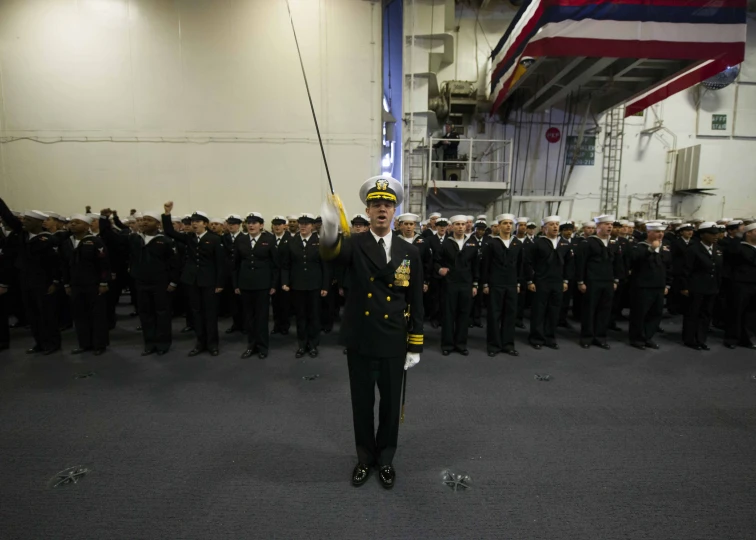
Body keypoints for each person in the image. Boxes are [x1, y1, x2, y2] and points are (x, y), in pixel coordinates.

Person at [319, 175, 424, 490]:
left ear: (395, 212)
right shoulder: (354, 245)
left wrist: (415, 343)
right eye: (376, 204)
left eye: (388, 205)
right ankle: (365, 459)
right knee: (362, 404)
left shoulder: (410, 251)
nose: (382, 209)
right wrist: (328, 225)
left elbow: (416, 298)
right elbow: (328, 253)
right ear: (367, 211)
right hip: (362, 338)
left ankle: (386, 460)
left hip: (394, 339)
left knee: (391, 406)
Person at [100, 210, 180, 356]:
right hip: (141, 283)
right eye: (142, 219)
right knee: (145, 314)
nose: (144, 222)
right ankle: (149, 343)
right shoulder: (134, 239)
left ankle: (163, 344)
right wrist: (104, 219)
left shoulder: (166, 241)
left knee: (162, 314)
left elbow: (174, 264)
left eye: (148, 220)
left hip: (160, 283)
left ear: (157, 224)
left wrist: (173, 282)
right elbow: (110, 237)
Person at [162, 203, 226, 357]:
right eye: (192, 221)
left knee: (210, 314)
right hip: (192, 281)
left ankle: (212, 344)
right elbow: (169, 231)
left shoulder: (214, 239)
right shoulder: (189, 238)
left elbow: (220, 264)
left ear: (205, 224)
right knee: (196, 313)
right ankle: (200, 343)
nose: (194, 224)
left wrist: (219, 283)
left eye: (198, 221)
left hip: (209, 281)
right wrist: (166, 214)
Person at [0, 201, 62, 355]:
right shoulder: (21, 235)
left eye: (28, 220)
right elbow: (9, 218)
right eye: (24, 219)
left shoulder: (49, 239)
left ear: (39, 223)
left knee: (46, 314)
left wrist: (55, 281)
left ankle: (52, 343)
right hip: (26, 281)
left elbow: (56, 264)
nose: (24, 222)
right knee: (32, 315)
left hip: (44, 283)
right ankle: (39, 343)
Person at [59, 214, 111, 355]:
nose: (73, 225)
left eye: (77, 222)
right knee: (79, 315)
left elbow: (104, 265)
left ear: (87, 226)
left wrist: (103, 282)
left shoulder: (95, 242)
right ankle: (84, 343)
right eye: (72, 222)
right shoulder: (67, 243)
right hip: (75, 285)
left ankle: (99, 344)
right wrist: (66, 284)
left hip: (93, 284)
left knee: (97, 315)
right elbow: (64, 265)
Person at [280, 213, 330, 358]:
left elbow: (325, 266)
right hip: (297, 285)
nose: (303, 226)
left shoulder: (319, 241)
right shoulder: (292, 241)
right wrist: (285, 282)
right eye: (301, 224)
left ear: (312, 226)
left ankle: (313, 345)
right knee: (300, 316)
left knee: (314, 316)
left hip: (315, 285)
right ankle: (302, 344)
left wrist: (325, 286)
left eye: (306, 224)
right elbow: (286, 265)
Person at [233, 213, 279, 359]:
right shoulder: (241, 240)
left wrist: (273, 284)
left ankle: (263, 347)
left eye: (255, 223)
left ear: (261, 225)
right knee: (249, 317)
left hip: (263, 284)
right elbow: (235, 264)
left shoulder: (269, 239)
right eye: (249, 223)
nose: (251, 225)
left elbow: (275, 265)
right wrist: (236, 284)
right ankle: (251, 346)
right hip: (245, 284)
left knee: (261, 317)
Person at [525, 216, 574, 350]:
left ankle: (550, 337)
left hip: (557, 282)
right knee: (539, 311)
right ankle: (536, 338)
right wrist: (530, 280)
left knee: (554, 311)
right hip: (541, 281)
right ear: (544, 228)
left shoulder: (564, 243)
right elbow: (529, 263)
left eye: (557, 224)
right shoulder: (537, 243)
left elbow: (569, 263)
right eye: (551, 224)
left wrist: (565, 280)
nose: (555, 227)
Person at [434, 215, 479, 355]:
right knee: (448, 315)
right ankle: (447, 345)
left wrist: (475, 284)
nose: (460, 227)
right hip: (450, 284)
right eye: (457, 224)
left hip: (466, 284)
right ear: (451, 226)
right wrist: (439, 269)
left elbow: (476, 266)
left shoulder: (472, 244)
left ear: (466, 226)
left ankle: (461, 344)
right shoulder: (445, 244)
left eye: (463, 224)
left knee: (464, 315)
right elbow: (435, 261)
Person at [575, 215, 621, 349]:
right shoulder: (588, 242)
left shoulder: (613, 243)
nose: (610, 227)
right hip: (592, 281)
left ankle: (600, 337)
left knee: (604, 310)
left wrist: (616, 280)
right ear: (598, 226)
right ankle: (587, 337)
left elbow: (617, 263)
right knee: (589, 310)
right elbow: (581, 263)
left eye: (611, 224)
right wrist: (580, 281)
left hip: (608, 281)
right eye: (606, 224)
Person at [481, 213, 523, 357]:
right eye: (505, 223)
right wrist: (485, 283)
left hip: (511, 284)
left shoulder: (517, 243)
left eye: (510, 223)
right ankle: (493, 345)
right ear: (498, 226)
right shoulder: (491, 243)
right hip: (495, 283)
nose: (508, 226)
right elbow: (485, 265)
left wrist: (518, 282)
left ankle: (508, 344)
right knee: (494, 315)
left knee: (510, 315)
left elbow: (520, 265)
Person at [627, 222, 672, 350]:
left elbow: (668, 267)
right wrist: (651, 250)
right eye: (657, 232)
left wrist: (667, 284)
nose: (660, 234)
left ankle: (648, 337)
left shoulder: (665, 247)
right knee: (640, 313)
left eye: (662, 232)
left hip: (659, 285)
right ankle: (636, 338)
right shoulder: (640, 247)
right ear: (649, 233)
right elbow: (634, 260)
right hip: (643, 286)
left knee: (655, 314)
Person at [680, 222, 723, 350]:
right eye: (712, 234)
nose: (715, 236)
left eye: (716, 234)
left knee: (706, 314)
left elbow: (719, 268)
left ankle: (701, 338)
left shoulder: (717, 248)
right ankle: (690, 339)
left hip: (711, 287)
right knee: (693, 313)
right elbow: (685, 269)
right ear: (703, 235)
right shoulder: (693, 249)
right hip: (696, 286)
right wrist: (684, 286)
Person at [724, 222, 756, 349]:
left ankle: (747, 338)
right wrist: (738, 235)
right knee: (736, 312)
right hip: (741, 283)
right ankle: (732, 338)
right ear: (748, 233)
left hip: (754, 284)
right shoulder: (739, 247)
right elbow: (732, 253)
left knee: (751, 313)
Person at [270, 215, 292, 335]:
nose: (277, 226)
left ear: (285, 226)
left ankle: (285, 325)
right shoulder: (269, 238)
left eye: (279, 224)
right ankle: (276, 325)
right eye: (275, 224)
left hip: (285, 276)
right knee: (275, 303)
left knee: (285, 303)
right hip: (273, 277)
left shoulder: (291, 239)